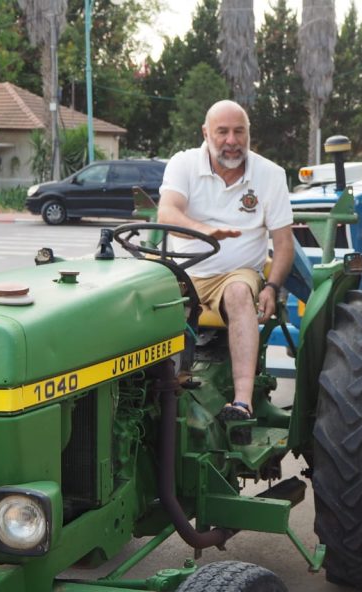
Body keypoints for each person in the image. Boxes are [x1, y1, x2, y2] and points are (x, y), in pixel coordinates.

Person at [157, 100, 294, 430]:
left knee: (238, 292)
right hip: (185, 271)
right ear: (206, 133)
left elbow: (284, 244)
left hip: (236, 274)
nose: (232, 140)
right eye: (222, 132)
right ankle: (157, 386)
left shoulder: (270, 175)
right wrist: (203, 231)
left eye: (239, 131)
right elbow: (167, 212)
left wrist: (272, 287)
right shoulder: (183, 164)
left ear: (248, 134)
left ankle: (242, 401)